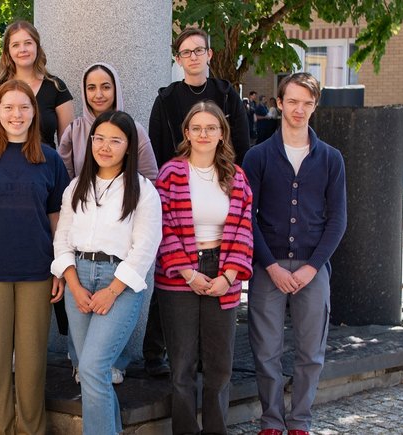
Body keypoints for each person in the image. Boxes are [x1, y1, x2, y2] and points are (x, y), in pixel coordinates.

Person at [0, 79, 70, 435]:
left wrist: (61, 269)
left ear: (34, 112)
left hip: (38, 268)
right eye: (8, 107)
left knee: (32, 360)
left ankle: (31, 429)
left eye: (24, 107)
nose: (16, 114)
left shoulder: (49, 159)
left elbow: (58, 219)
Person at [243, 72, 347, 435]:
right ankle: (272, 422)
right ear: (280, 102)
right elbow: (246, 217)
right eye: (292, 101)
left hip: (313, 269)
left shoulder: (331, 159)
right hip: (266, 268)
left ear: (314, 106)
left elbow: (338, 220)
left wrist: (312, 268)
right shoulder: (257, 156)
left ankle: (300, 421)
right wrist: (270, 265)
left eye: (307, 103)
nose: (299, 109)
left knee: (311, 351)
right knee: (266, 351)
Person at [145, 26, 251, 378]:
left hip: (218, 184)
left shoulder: (226, 95)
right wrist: (175, 184)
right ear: (178, 59)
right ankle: (155, 352)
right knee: (172, 285)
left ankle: (208, 359)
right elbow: (160, 147)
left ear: (208, 54)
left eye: (198, 50)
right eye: (185, 52)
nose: (192, 57)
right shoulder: (166, 98)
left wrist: (226, 181)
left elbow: (243, 147)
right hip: (177, 192)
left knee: (213, 306)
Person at [52, 110, 162, 434]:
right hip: (79, 279)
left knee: (93, 366)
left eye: (115, 140)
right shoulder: (76, 187)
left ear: (129, 147)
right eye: (99, 138)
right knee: (90, 372)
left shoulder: (143, 190)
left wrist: (112, 290)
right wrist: (72, 284)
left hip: (121, 283)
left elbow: (144, 249)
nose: (105, 146)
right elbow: (62, 239)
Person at [57, 61, 159, 385]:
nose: (98, 94)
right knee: (85, 358)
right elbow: (66, 176)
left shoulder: (136, 132)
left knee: (105, 349)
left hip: (121, 241)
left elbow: (149, 176)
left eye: (106, 86)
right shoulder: (73, 130)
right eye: (91, 87)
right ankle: (81, 363)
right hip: (83, 233)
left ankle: (115, 363)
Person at [155, 101, 253, 434]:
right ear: (186, 132)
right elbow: (162, 226)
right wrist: (187, 272)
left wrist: (228, 276)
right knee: (182, 364)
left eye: (211, 127)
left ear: (222, 133)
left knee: (220, 365)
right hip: (179, 273)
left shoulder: (236, 177)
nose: (203, 134)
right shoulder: (170, 173)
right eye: (196, 128)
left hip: (222, 269)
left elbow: (243, 228)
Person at [0, 20, 74, 147]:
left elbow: (68, 147)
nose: (23, 49)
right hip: (3, 165)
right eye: (15, 45)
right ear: (8, 51)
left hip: (45, 164)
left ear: (37, 47)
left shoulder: (56, 87)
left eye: (28, 43)